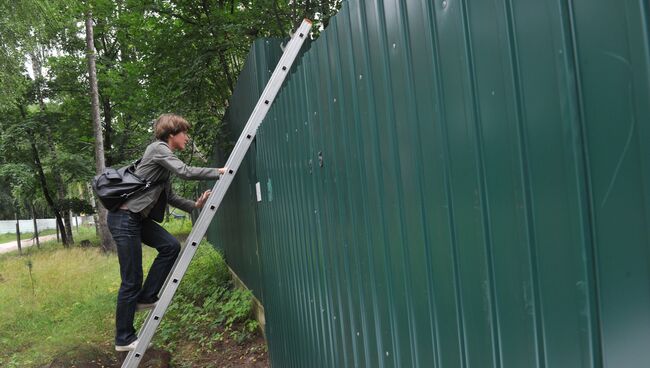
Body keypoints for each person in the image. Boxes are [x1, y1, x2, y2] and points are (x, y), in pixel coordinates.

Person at [106, 113, 226, 351]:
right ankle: (123, 338)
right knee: (131, 279)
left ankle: (147, 297)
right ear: (172, 135)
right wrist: (219, 171)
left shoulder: (164, 162)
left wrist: (195, 205)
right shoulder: (158, 149)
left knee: (170, 246)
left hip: (136, 218)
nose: (187, 138)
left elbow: (169, 196)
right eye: (185, 133)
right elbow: (186, 172)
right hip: (124, 218)